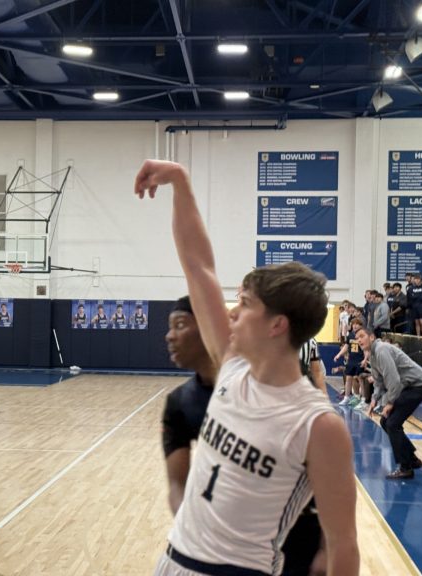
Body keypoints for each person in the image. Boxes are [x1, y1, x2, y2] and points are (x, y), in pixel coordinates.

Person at [135, 159, 358, 576]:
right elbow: (198, 267)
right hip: (172, 561)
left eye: (245, 304)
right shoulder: (233, 367)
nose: (232, 313)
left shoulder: (318, 425)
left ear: (277, 325)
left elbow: (343, 545)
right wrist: (180, 182)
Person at [161, 296, 217, 515]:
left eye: (180, 325)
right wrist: (188, 526)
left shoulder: (257, 385)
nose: (169, 335)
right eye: (170, 327)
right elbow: (177, 485)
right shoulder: (179, 403)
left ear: (208, 328)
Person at [356, 327, 422, 479]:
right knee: (385, 422)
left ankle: (405, 467)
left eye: (362, 336)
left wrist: (390, 403)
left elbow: (393, 380)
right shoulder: (372, 355)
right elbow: (378, 381)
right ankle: (411, 459)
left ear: (372, 337)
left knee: (392, 424)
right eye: (357, 338)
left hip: (418, 385)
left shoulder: (381, 350)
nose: (359, 340)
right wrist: (374, 400)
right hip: (407, 386)